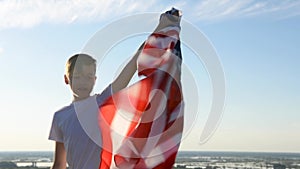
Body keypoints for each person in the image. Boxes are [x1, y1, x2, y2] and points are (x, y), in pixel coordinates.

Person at [48, 45, 143, 169]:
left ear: (95, 79)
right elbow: (59, 163)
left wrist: (159, 32)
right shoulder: (60, 117)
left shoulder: (102, 102)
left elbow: (128, 72)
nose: (83, 82)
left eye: (88, 77)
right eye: (77, 77)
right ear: (66, 79)